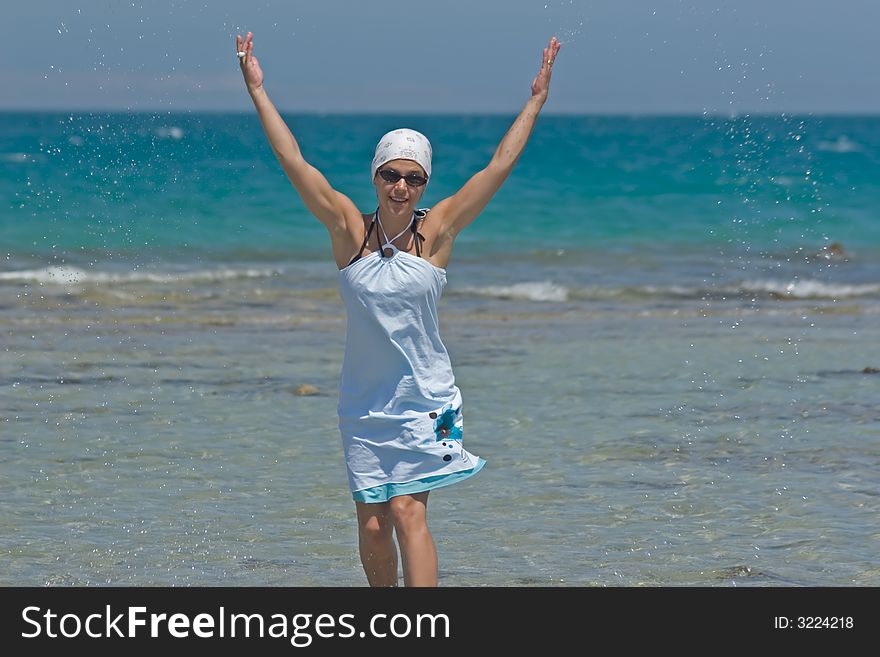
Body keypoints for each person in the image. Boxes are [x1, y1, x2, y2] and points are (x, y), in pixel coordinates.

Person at [235, 31, 561, 587]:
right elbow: (293, 160)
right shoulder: (347, 230)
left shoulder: (436, 233)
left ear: (424, 182)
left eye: (413, 178)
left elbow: (498, 167)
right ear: (376, 176)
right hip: (363, 405)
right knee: (370, 527)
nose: (401, 186)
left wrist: (535, 100)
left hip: (423, 396)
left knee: (409, 511)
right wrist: (257, 90)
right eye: (391, 174)